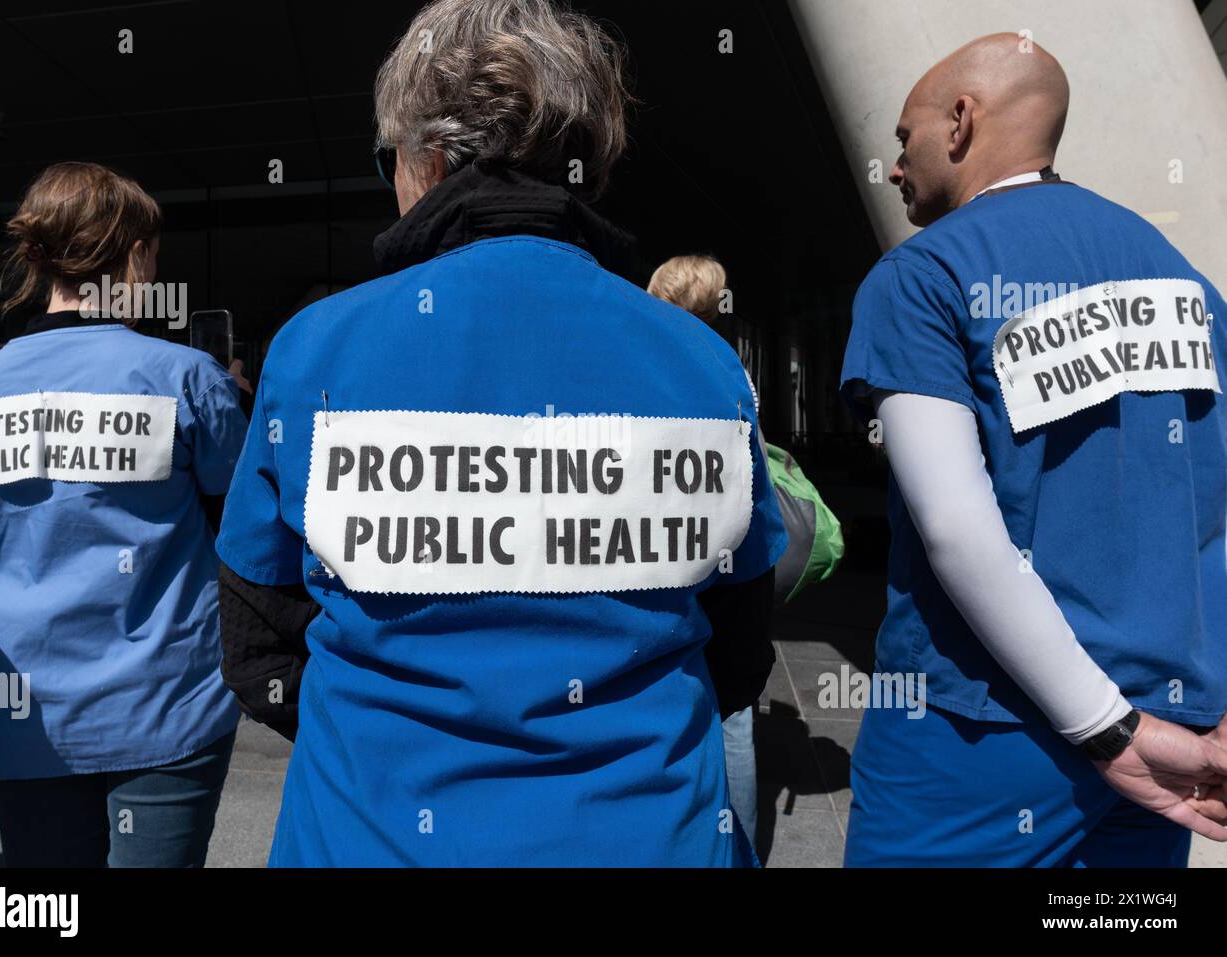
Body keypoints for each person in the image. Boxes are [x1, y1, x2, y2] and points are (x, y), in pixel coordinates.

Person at [215, 0, 787, 867]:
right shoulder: (700, 364)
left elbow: (257, 644)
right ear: (586, 168)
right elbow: (740, 649)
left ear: (426, 160)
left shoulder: (316, 348)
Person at [839, 33, 1227, 866]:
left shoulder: (923, 276)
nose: (896, 166)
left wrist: (1108, 731)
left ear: (961, 121)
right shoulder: (1190, 288)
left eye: (903, 139)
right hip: (1171, 740)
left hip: (978, 738)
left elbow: (955, 526)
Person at [0, 161, 248, 867]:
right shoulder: (184, 375)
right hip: (168, 705)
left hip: (28, 719)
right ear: (136, 257)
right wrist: (231, 402)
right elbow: (245, 506)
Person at [648, 254, 761, 846]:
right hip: (729, 551)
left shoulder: (649, 363)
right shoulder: (732, 369)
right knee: (735, 714)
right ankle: (739, 842)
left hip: (666, 556)